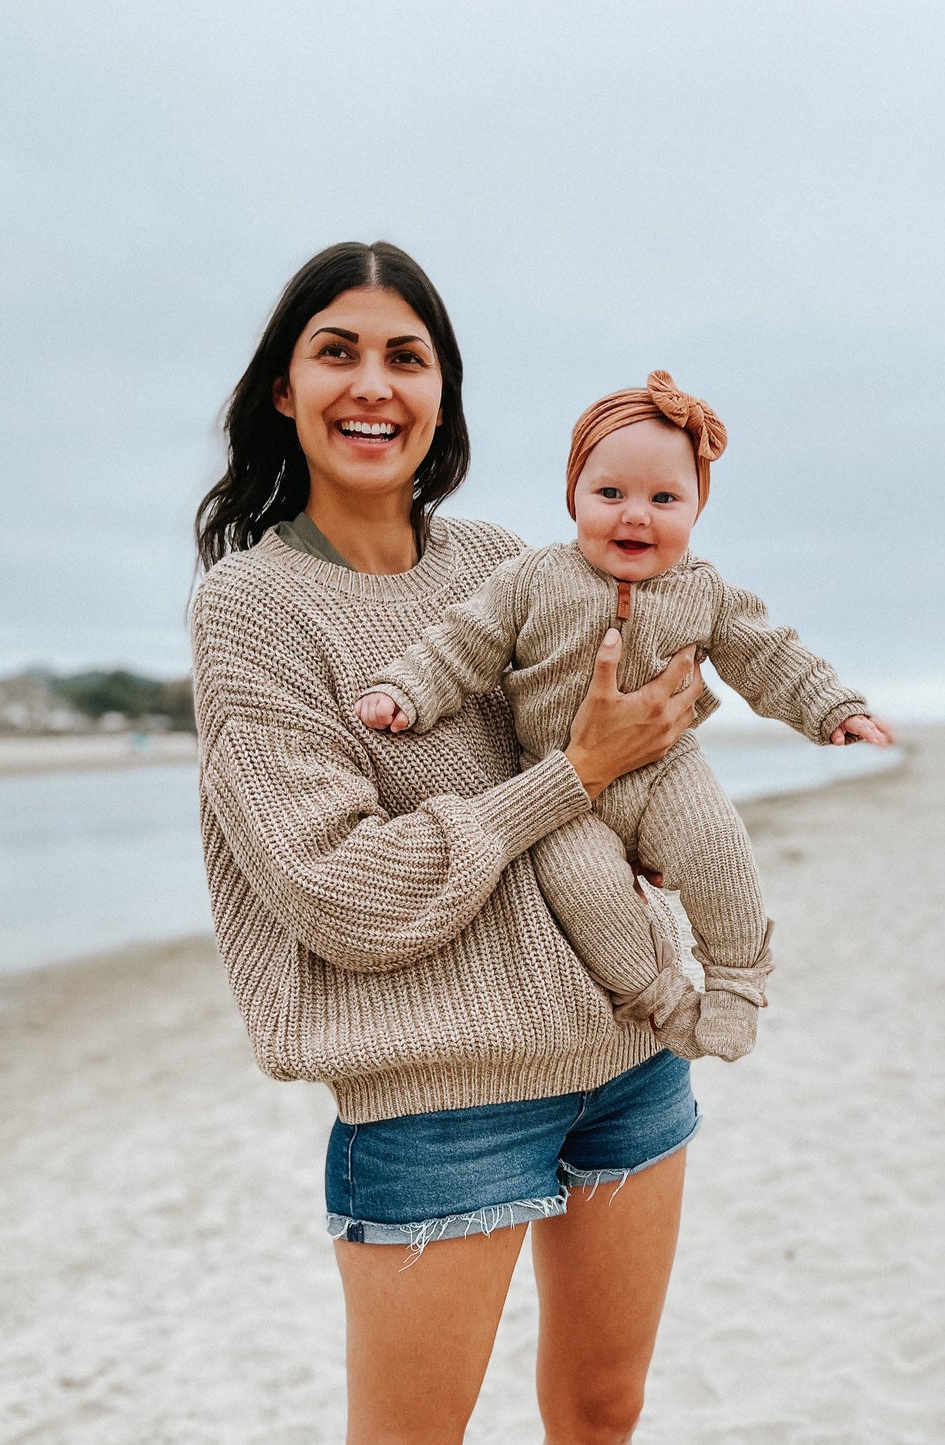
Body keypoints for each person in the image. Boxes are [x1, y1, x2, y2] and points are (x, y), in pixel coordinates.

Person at [193, 241, 715, 1444]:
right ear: (283, 387)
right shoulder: (251, 606)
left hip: (626, 1051)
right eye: (338, 351)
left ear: (442, 392)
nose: (373, 384)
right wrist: (573, 774)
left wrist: (655, 730)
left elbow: (629, 721)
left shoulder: (496, 559)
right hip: (439, 1096)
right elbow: (343, 891)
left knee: (602, 1411)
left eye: (405, 357)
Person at [356, 371, 891, 1063]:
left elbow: (770, 658)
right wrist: (405, 690)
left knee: (718, 850)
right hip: (560, 786)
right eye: (609, 493)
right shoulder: (531, 578)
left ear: (696, 509)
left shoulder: (706, 591)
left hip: (665, 768)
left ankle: (734, 982)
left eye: (664, 498)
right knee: (586, 896)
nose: (635, 514)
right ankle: (660, 1001)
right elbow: (462, 642)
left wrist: (831, 707)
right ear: (573, 494)